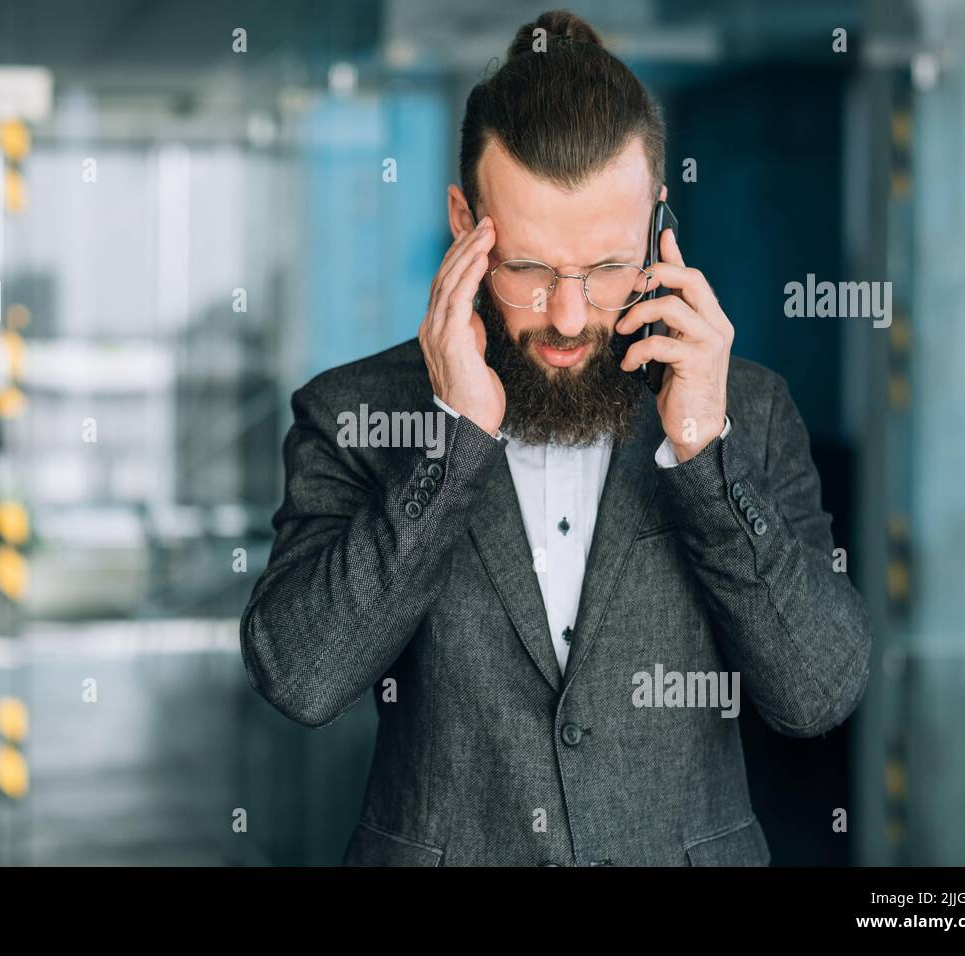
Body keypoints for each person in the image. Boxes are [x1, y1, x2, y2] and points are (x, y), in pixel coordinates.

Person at [240, 11, 872, 866]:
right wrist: (457, 441)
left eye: (608, 267)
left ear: (658, 223)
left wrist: (704, 453)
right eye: (529, 270)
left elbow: (817, 693)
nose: (569, 317)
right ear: (466, 222)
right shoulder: (353, 412)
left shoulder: (746, 409)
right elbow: (302, 679)